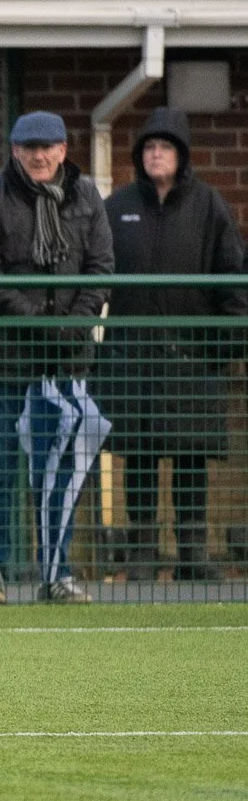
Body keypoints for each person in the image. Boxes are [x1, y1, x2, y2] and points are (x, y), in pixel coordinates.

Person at [0, 110, 114, 604]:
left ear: (64, 150)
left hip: (67, 358)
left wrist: (69, 326)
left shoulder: (86, 195)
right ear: (15, 151)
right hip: (4, 358)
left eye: (48, 147)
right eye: (30, 148)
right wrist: (42, 323)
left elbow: (101, 266)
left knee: (62, 469)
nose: (40, 155)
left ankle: (58, 573)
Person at [100, 107, 246, 582]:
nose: (155, 153)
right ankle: (143, 553)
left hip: (193, 360)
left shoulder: (209, 206)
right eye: (148, 147)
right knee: (138, 458)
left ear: (181, 156)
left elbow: (232, 280)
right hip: (132, 357)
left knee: (190, 459)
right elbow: (97, 275)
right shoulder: (117, 206)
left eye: (164, 147)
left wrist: (224, 347)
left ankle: (192, 552)